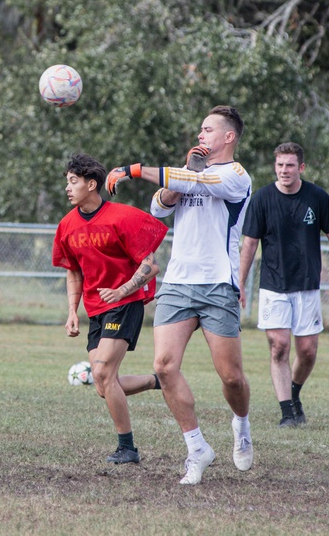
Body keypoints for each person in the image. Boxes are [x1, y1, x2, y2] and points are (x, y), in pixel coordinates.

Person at [105, 105, 254, 485]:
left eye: (208, 130)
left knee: (232, 378)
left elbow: (198, 185)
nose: (201, 135)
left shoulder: (236, 175)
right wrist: (186, 170)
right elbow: (161, 206)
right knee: (164, 366)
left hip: (218, 284)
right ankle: (197, 448)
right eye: (200, 130)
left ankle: (241, 424)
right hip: (177, 284)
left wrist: (134, 170)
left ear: (228, 137)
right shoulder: (189, 173)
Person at [52, 154, 168, 465]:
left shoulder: (123, 217)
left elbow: (151, 265)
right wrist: (72, 312)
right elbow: (73, 271)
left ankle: (127, 448)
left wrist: (123, 290)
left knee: (101, 371)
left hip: (125, 304)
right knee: (104, 386)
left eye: (73, 181)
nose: (68, 187)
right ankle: (156, 381)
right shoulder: (67, 225)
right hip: (95, 308)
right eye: (67, 182)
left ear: (92, 184)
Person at [238, 142, 329, 428]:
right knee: (279, 347)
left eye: (289, 165)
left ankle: (294, 393)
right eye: (279, 165)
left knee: (308, 351)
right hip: (273, 286)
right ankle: (287, 412)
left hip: (308, 286)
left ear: (301, 167)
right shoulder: (262, 198)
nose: (284, 171)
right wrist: (240, 283)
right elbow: (249, 244)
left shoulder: (317, 197)